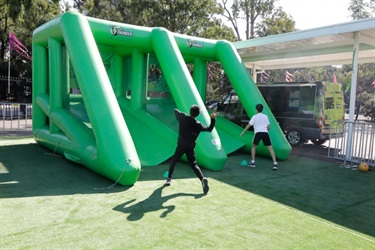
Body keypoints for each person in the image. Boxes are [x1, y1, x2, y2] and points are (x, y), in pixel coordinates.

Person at [165, 105, 217, 194]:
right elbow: (209, 129)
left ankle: (169, 179)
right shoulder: (198, 124)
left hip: (181, 145)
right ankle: (202, 179)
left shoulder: (183, 117)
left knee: (174, 160)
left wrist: (181, 113)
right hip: (190, 146)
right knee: (193, 165)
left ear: (190, 111)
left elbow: (175, 110)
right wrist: (212, 118)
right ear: (198, 114)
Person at [240, 103, 278, 170]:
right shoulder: (265, 116)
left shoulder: (255, 117)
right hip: (265, 133)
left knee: (253, 146)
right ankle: (275, 163)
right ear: (262, 109)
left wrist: (243, 132)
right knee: (270, 148)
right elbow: (268, 126)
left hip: (258, 133)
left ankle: (253, 162)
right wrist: (267, 131)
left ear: (256, 110)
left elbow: (249, 125)